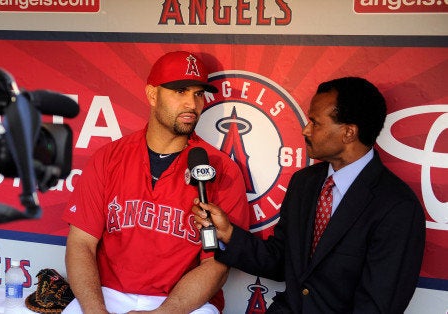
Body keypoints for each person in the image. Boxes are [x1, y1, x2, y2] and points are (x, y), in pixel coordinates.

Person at [192, 76, 426, 313]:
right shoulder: (304, 184)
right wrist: (229, 235)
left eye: (315, 122)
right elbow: (281, 261)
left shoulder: (397, 207)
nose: (306, 130)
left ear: (348, 133)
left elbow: (378, 306)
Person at [61, 51, 250, 313]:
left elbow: (216, 265)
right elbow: (81, 242)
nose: (192, 104)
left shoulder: (221, 169)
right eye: (180, 91)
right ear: (152, 95)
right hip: (108, 294)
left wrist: (164, 313)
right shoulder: (109, 158)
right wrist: (95, 309)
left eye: (198, 94)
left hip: (185, 303)